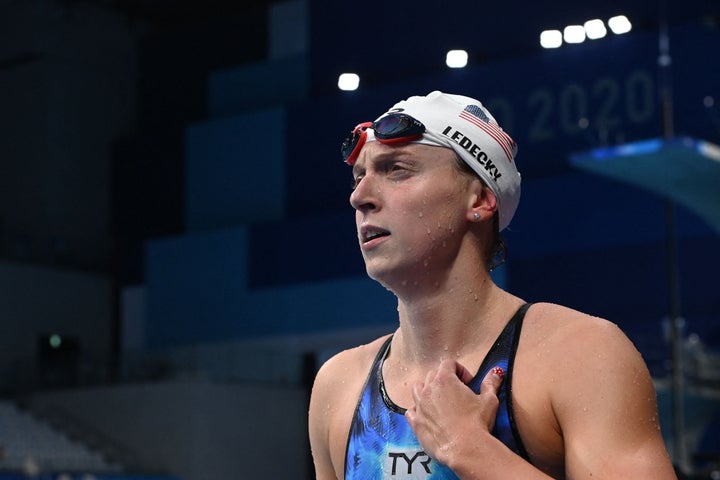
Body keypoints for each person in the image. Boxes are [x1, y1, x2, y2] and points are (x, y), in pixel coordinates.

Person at [308, 91, 677, 479]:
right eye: (359, 177)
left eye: (397, 169)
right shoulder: (339, 386)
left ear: (481, 199)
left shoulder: (579, 357)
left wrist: (475, 451)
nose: (359, 197)